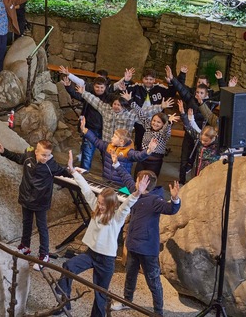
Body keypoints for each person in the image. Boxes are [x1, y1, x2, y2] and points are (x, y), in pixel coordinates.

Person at [56, 154, 149, 317]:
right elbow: (85, 189)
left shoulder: (117, 217)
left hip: (106, 260)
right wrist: (73, 172)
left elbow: (127, 205)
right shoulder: (95, 207)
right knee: (68, 267)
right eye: (98, 202)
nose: (99, 206)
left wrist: (137, 193)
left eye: (102, 204)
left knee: (100, 293)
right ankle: (64, 303)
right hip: (90, 254)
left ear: (112, 205)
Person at [109, 157, 181, 315]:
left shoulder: (156, 200)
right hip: (133, 245)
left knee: (153, 281)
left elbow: (170, 209)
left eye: (137, 181)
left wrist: (175, 199)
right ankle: (127, 300)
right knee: (130, 274)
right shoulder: (136, 192)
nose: (134, 183)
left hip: (148, 250)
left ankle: (158, 312)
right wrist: (116, 163)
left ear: (144, 184)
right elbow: (126, 178)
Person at [0, 140, 70, 265]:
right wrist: (4, 152)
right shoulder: (28, 157)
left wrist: (72, 169)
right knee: (26, 223)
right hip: (26, 197)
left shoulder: (51, 165)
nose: (45, 158)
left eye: (48, 155)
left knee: (42, 228)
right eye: (43, 155)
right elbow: (17, 157)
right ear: (36, 152)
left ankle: (44, 254)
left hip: (41, 201)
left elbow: (65, 172)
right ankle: (25, 246)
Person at [77, 84, 164, 152]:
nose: (116, 106)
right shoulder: (106, 109)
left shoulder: (130, 114)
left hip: (123, 146)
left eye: (119, 105)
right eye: (115, 104)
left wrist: (160, 107)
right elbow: (95, 101)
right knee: (106, 164)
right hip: (107, 144)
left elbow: (144, 112)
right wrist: (83, 93)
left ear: (124, 106)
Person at [79, 116, 159, 185]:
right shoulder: (108, 146)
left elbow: (139, 156)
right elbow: (95, 140)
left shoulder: (128, 152)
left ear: (121, 141)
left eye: (114, 137)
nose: (111, 138)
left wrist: (149, 151)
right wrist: (84, 130)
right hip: (106, 181)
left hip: (121, 184)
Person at [59, 66, 110, 171]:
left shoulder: (109, 98)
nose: (99, 89)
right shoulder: (88, 95)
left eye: (102, 87)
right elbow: (78, 95)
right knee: (86, 155)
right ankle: (83, 178)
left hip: (105, 130)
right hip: (89, 129)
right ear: (93, 86)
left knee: (107, 156)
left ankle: (107, 179)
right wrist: (68, 87)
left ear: (105, 87)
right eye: (97, 87)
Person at [114, 68, 178, 150]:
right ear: (142, 79)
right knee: (139, 139)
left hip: (155, 121)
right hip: (139, 120)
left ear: (154, 79)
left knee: (154, 139)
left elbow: (171, 93)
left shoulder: (159, 88)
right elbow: (124, 92)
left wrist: (170, 82)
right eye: (146, 79)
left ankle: (151, 154)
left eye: (151, 79)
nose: (148, 81)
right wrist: (126, 81)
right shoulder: (137, 87)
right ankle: (139, 154)